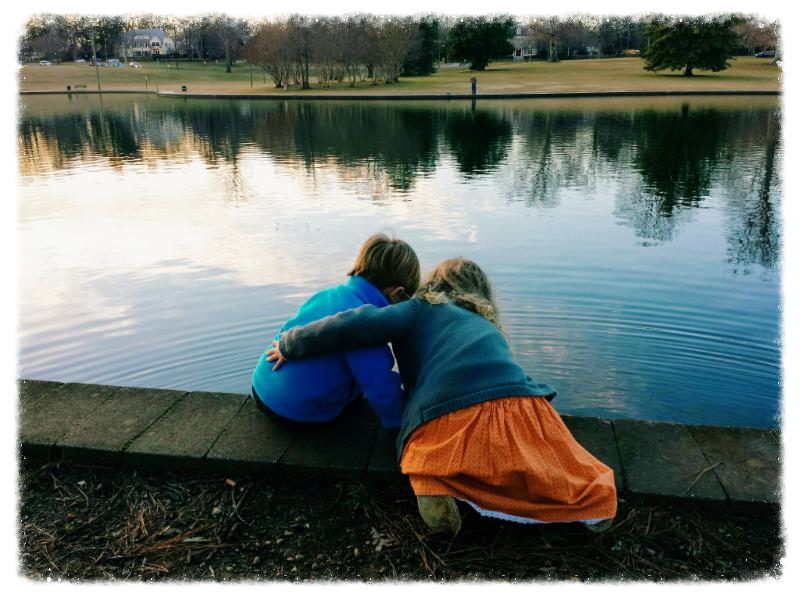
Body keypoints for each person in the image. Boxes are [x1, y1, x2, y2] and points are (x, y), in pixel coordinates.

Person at [267, 257, 617, 535]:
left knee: (426, 450)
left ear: (433, 283)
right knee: (552, 457)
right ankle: (592, 506)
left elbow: (355, 324)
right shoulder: (485, 321)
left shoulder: (419, 308)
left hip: (446, 410)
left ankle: (434, 487)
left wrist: (292, 343)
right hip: (519, 402)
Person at [251, 233, 419, 430]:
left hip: (261, 386)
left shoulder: (327, 295)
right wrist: (402, 428)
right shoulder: (366, 328)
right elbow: (381, 388)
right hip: (296, 411)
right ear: (397, 294)